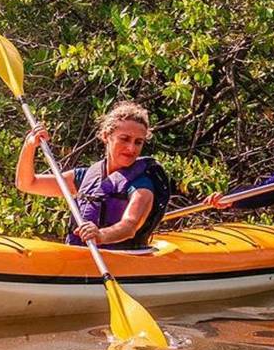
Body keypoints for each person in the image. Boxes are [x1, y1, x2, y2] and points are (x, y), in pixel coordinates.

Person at [14, 101, 172, 250]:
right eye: (124, 139)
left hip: (120, 261)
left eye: (138, 142)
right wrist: (30, 145)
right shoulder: (84, 177)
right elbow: (26, 183)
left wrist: (101, 235)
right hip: (82, 257)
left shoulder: (142, 186)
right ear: (105, 136)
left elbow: (130, 225)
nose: (131, 148)